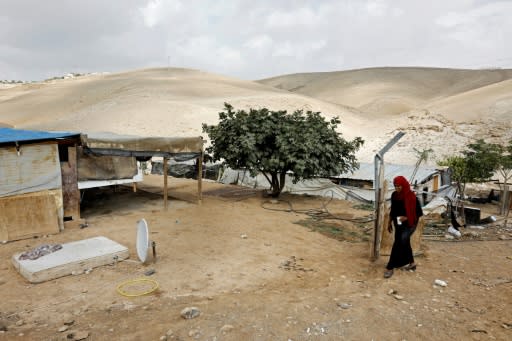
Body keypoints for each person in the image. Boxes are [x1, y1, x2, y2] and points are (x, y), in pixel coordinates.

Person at [384, 176, 423, 278]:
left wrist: (406, 218)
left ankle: (390, 267)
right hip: (398, 222)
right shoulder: (394, 195)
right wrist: (389, 221)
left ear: (404, 185)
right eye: (395, 186)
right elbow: (393, 210)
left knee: (399, 241)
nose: (397, 188)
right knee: (403, 241)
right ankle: (412, 263)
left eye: (399, 186)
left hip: (411, 223)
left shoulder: (412, 197)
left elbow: (418, 213)